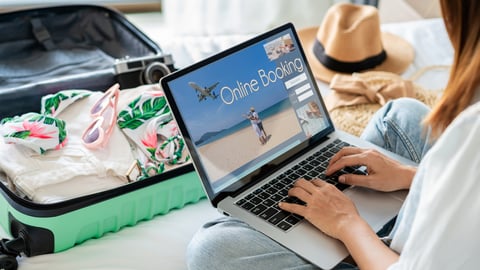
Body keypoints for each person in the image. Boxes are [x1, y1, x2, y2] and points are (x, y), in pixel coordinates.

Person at [186, 1, 480, 269]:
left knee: (211, 250)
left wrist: (347, 224)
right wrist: (409, 176)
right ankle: (365, 229)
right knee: (400, 116)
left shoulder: (470, 131)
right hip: (443, 223)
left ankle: (350, 249)